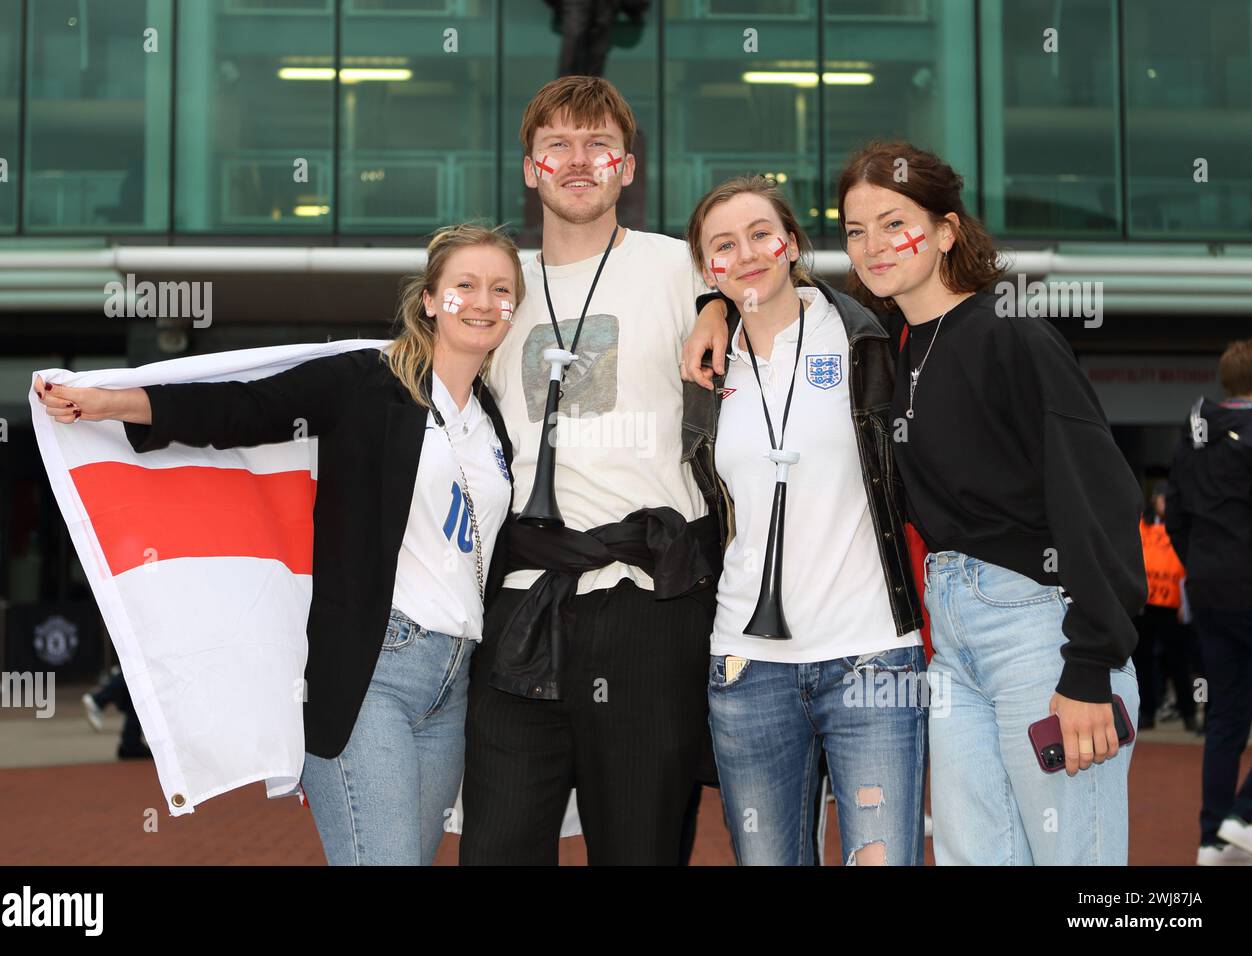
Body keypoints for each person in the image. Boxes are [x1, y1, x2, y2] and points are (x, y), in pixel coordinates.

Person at [685, 141, 1145, 865]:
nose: (872, 245)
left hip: (1039, 626)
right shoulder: (887, 346)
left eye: (893, 223)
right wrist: (715, 302)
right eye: (857, 230)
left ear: (946, 229)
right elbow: (760, 291)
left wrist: (1090, 664)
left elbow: (1100, 495)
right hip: (951, 640)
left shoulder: (1013, 330)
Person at [34, 223, 521, 866]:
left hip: (454, 683)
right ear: (429, 299)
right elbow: (247, 408)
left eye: (500, 290)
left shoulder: (493, 423)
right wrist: (115, 402)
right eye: (464, 285)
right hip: (372, 676)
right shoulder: (367, 382)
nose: (483, 302)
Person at [458, 75, 723, 865]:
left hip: (650, 603)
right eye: (558, 146)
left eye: (598, 145)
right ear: (530, 167)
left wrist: (722, 303)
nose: (579, 161)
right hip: (522, 603)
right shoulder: (495, 290)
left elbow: (785, 306)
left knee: (640, 847)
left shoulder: (683, 270)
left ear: (628, 168)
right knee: (497, 848)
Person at [682, 174, 927, 865]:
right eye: (723, 246)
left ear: (790, 243)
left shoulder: (869, 337)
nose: (748, 253)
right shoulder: (700, 367)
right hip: (746, 668)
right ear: (707, 270)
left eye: (762, 234)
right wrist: (710, 311)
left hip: (874, 656)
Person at [1165, 338, 1252, 866]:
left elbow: (1175, 514)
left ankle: (1211, 839)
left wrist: (1199, 564)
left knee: (1225, 717)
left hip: (1211, 590)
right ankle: (1243, 816)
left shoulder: (1192, 435)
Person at [1133, 485, 1197, 732]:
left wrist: (1185, 604)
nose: (1166, 505)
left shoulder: (1181, 527)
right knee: (1143, 661)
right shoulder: (1142, 525)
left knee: (1179, 662)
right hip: (1145, 605)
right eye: (1162, 500)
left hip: (1172, 605)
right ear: (1154, 501)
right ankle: (1147, 712)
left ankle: (1189, 712)